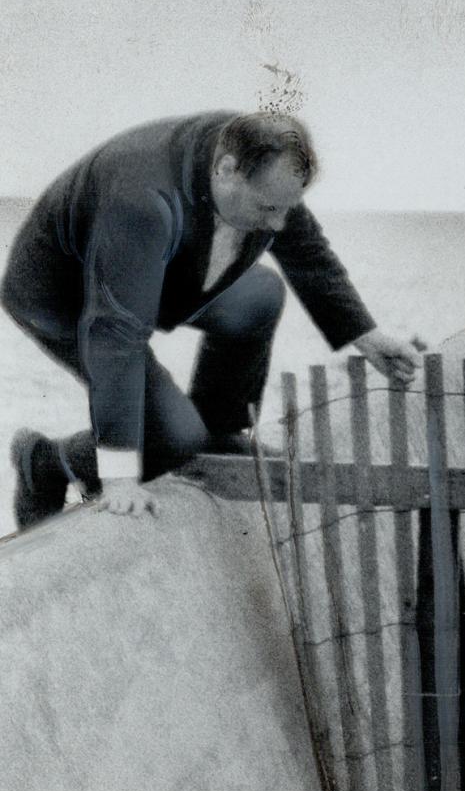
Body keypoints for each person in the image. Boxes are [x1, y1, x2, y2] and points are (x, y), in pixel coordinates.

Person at [2, 110, 422, 529]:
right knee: (176, 438)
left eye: (284, 209)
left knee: (259, 295)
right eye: (267, 208)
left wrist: (367, 337)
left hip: (157, 273)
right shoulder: (142, 200)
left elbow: (308, 254)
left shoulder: (256, 161)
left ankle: (221, 430)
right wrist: (118, 478)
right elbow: (115, 334)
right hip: (62, 296)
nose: (278, 224)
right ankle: (44, 463)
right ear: (225, 170)